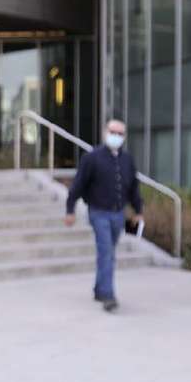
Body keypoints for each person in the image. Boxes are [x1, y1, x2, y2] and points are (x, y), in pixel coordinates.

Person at [65, 119, 144, 312]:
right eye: (112, 132)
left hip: (118, 214)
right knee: (106, 251)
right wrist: (70, 209)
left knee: (108, 253)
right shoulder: (92, 158)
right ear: (104, 132)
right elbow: (78, 185)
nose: (116, 136)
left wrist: (138, 210)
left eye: (120, 133)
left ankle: (99, 288)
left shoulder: (127, 160)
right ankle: (108, 295)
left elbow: (133, 187)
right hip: (98, 212)